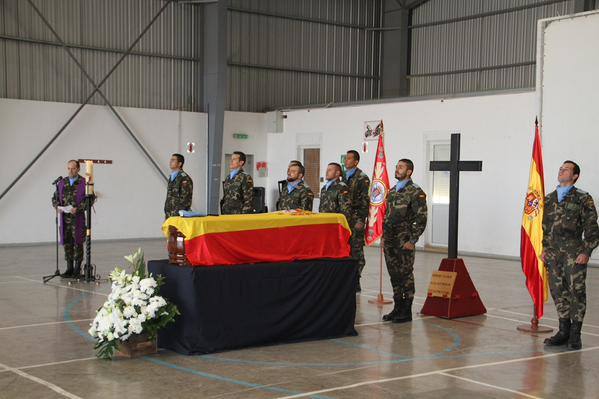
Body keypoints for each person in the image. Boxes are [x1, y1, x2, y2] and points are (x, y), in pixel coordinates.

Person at [542, 160, 599, 350]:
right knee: (559, 293)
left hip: (574, 254)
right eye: (560, 168)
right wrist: (545, 249)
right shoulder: (550, 198)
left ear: (574, 176)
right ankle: (563, 331)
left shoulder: (583, 198)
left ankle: (575, 334)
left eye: (566, 169)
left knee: (576, 292)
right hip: (554, 255)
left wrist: (586, 251)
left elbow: (592, 229)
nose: (561, 171)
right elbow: (545, 228)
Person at [382, 159, 427, 323]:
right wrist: (384, 236)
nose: (397, 169)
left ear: (409, 172)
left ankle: (406, 310)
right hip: (390, 240)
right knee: (394, 274)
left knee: (405, 274)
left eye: (400, 167)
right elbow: (387, 215)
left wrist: (413, 239)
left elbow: (421, 218)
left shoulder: (416, 192)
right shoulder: (393, 191)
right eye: (396, 167)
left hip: (404, 240)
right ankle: (397, 307)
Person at [51, 160, 86, 278]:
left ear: (78, 169)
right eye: (68, 168)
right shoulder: (62, 182)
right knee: (67, 242)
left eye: (73, 168)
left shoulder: (84, 182)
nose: (70, 171)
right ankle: (69, 268)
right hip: (65, 218)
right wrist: (57, 206)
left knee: (77, 242)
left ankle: (77, 269)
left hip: (77, 219)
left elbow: (89, 200)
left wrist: (78, 208)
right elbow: (55, 198)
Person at [342, 150, 370, 292]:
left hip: (355, 220)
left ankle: (356, 280)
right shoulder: (342, 177)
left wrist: (361, 220)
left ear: (356, 162)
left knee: (356, 250)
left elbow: (365, 201)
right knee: (344, 249)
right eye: (345, 158)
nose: (346, 161)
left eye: (349, 159)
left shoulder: (362, 178)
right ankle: (345, 279)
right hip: (343, 220)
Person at [164, 153, 193, 218]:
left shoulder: (184, 178)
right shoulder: (172, 177)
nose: (170, 162)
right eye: (171, 160)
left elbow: (185, 199)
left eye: (173, 160)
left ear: (180, 164)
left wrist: (178, 213)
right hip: (169, 215)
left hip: (178, 216)